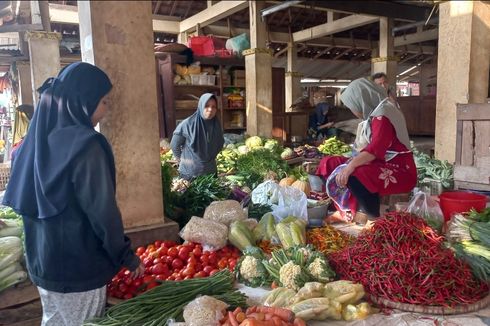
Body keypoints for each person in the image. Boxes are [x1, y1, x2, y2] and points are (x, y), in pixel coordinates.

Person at [2, 62, 144, 325]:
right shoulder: (87, 146)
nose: (105, 110)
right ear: (83, 102)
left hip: (43, 266)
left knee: (54, 320)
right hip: (79, 268)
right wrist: (126, 256)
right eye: (103, 102)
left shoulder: (33, 144)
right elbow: (103, 213)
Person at [316, 77, 416, 224]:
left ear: (361, 101)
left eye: (353, 106)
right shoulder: (376, 114)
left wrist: (350, 166)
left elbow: (374, 150)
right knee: (329, 163)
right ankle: (345, 211)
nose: (353, 110)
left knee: (356, 173)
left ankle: (372, 218)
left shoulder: (383, 116)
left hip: (399, 169)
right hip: (379, 162)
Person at [171, 93, 224, 180]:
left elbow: (219, 144)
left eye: (214, 107)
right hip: (190, 174)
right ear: (201, 106)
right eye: (206, 106)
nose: (210, 109)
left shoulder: (216, 125)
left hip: (210, 174)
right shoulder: (187, 124)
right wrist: (183, 161)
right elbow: (174, 145)